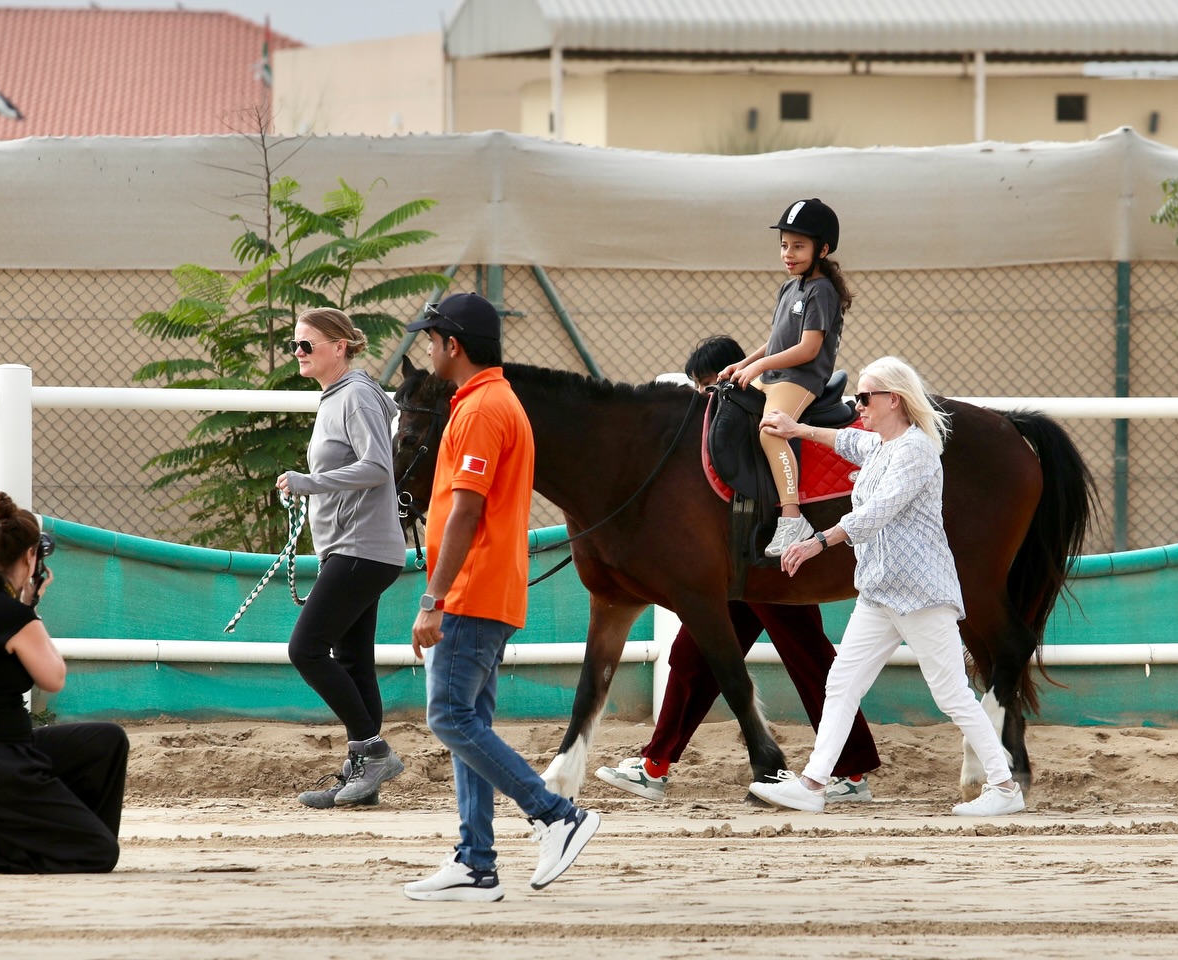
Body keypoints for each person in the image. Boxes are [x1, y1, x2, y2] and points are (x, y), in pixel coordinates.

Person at [596, 336, 880, 803]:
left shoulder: (756, 428)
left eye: (710, 385)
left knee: (807, 658)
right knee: (693, 658)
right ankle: (655, 764)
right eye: (701, 388)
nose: (708, 398)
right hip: (744, 573)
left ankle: (850, 773)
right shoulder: (724, 438)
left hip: (771, 568)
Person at [750, 357, 1026, 817]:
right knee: (841, 683)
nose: (858, 406)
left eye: (865, 397)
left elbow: (878, 511)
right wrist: (797, 430)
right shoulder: (880, 444)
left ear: (893, 399)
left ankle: (1003, 786)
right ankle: (813, 784)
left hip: (919, 592)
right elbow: (845, 439)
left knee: (952, 694)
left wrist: (819, 541)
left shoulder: (916, 451)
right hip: (879, 591)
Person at [401, 292, 600, 903]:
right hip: (486, 588)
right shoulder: (487, 400)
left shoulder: (483, 408)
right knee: (470, 722)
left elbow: (466, 509)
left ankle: (556, 815)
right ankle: (476, 862)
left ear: (452, 344)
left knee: (450, 718)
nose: (427, 348)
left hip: (470, 590)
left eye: (431, 339)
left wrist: (433, 598)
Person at [0, 493, 128, 874]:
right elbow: (54, 677)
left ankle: (61, 834)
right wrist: (30, 608)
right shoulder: (9, 613)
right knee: (99, 854)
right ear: (30, 557)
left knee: (105, 743)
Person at [277, 307, 409, 809]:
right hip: (351, 547)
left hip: (363, 548)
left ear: (339, 346)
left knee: (306, 649)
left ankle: (372, 752)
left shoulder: (354, 396)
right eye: (296, 345)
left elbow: (377, 466)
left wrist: (310, 483)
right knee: (353, 660)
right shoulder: (337, 397)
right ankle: (364, 775)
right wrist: (308, 490)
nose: (298, 353)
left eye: (306, 344)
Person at [718, 198, 853, 558]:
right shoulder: (788, 288)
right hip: (774, 374)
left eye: (798, 246)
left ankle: (792, 516)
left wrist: (759, 369)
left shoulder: (822, 290)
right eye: (783, 245)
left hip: (800, 379)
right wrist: (743, 363)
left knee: (772, 430)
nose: (787, 254)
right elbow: (777, 338)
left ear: (822, 249)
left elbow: (809, 348)